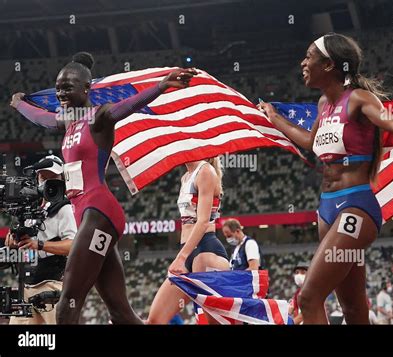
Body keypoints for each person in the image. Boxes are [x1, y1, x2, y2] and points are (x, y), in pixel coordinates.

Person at [258, 33, 393, 324]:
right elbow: (310, 142)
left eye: (308, 57)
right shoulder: (322, 105)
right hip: (326, 209)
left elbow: (392, 124)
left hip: (356, 207)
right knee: (354, 310)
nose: (302, 63)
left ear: (328, 65)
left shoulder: (359, 98)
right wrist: (274, 117)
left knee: (309, 297)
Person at [10, 51, 197, 324]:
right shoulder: (68, 121)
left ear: (87, 88)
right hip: (89, 214)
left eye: (67, 87)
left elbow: (128, 105)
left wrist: (161, 85)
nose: (60, 93)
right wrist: (19, 104)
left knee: (67, 303)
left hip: (98, 211)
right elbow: (42, 118)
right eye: (58, 87)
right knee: (120, 313)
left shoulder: (100, 117)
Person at [148, 158, 229, 324]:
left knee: (212, 323)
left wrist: (181, 257)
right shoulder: (185, 177)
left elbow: (203, 221)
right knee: (155, 320)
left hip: (206, 249)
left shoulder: (205, 171)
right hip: (187, 249)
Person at [5, 155, 76, 324]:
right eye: (43, 177)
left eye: (53, 178)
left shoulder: (64, 208)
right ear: (37, 179)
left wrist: (40, 245)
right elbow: (19, 242)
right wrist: (13, 243)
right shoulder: (29, 207)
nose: (47, 183)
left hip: (53, 287)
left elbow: (73, 245)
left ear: (62, 179)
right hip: (26, 286)